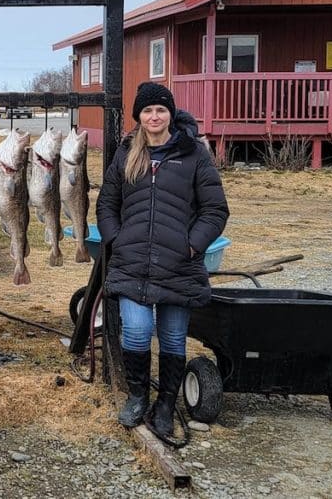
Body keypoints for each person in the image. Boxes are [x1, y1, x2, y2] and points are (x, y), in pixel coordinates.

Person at [96, 82, 229, 438]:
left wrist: (192, 246)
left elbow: (215, 209)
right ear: (138, 116)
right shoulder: (126, 154)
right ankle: (138, 396)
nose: (154, 117)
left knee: (172, 339)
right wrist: (116, 239)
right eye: (147, 111)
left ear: (170, 114)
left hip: (179, 266)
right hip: (133, 264)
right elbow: (107, 204)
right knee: (137, 332)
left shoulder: (193, 154)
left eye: (161, 110)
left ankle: (166, 404)